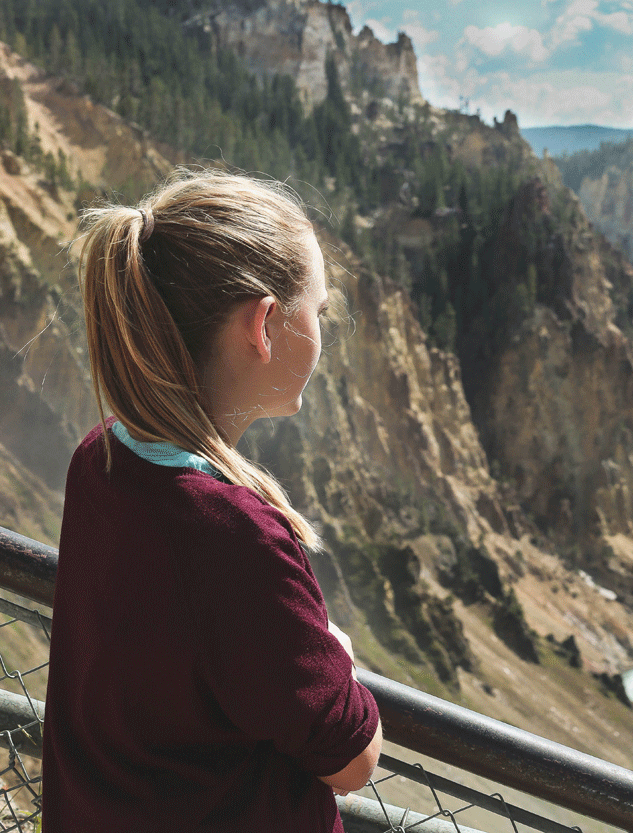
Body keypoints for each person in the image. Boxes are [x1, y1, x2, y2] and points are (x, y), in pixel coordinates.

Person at [42, 169, 382, 832]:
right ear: (264, 324)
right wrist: (333, 651)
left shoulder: (102, 458)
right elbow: (352, 757)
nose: (324, 328)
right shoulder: (235, 534)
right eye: (319, 308)